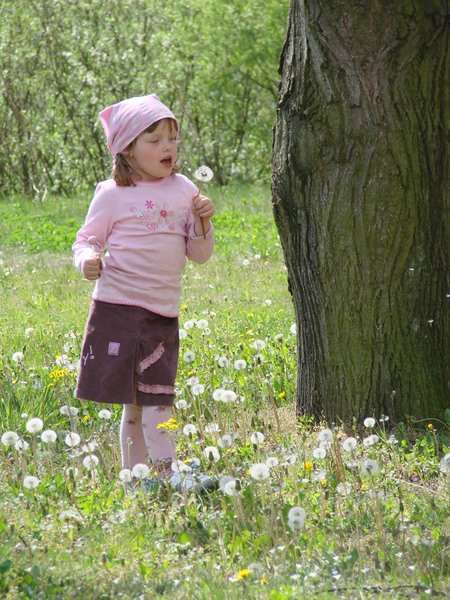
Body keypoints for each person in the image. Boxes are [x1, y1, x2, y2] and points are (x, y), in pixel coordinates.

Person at [73, 94, 215, 492]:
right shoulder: (111, 193)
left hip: (162, 313)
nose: (167, 147)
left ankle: (146, 478)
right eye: (155, 140)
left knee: (151, 396)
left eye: (172, 138)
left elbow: (199, 255)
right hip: (117, 310)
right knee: (140, 403)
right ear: (127, 149)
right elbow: (85, 239)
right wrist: (86, 261)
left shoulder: (185, 189)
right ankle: (155, 476)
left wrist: (203, 224)